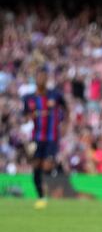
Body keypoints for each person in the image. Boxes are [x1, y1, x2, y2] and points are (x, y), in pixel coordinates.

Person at [22, 67, 69, 209]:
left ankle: (55, 182)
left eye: (44, 77)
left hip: (52, 137)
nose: (42, 79)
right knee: (36, 167)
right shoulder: (29, 98)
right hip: (36, 137)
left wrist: (66, 124)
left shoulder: (55, 95)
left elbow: (66, 109)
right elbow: (24, 116)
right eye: (39, 77)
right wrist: (31, 116)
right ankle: (41, 196)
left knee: (47, 165)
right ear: (35, 79)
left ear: (47, 79)